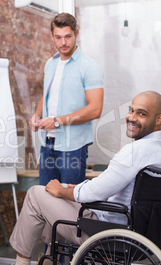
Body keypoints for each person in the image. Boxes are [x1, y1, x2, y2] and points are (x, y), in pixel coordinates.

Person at [10, 91, 161, 265]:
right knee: (60, 196)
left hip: (107, 230)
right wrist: (74, 188)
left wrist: (62, 190)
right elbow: (112, 184)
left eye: (141, 113)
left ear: (159, 119)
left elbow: (95, 192)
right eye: (131, 110)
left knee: (36, 194)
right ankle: (49, 263)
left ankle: (22, 263)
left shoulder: (134, 152)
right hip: (143, 229)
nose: (132, 117)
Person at [30, 13, 104, 186]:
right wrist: (37, 115)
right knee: (45, 199)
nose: (63, 42)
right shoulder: (50, 64)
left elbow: (95, 109)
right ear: (52, 37)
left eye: (68, 37)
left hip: (73, 147)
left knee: (70, 203)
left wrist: (57, 121)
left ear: (76, 34)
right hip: (48, 143)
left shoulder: (89, 67)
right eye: (58, 37)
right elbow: (48, 95)